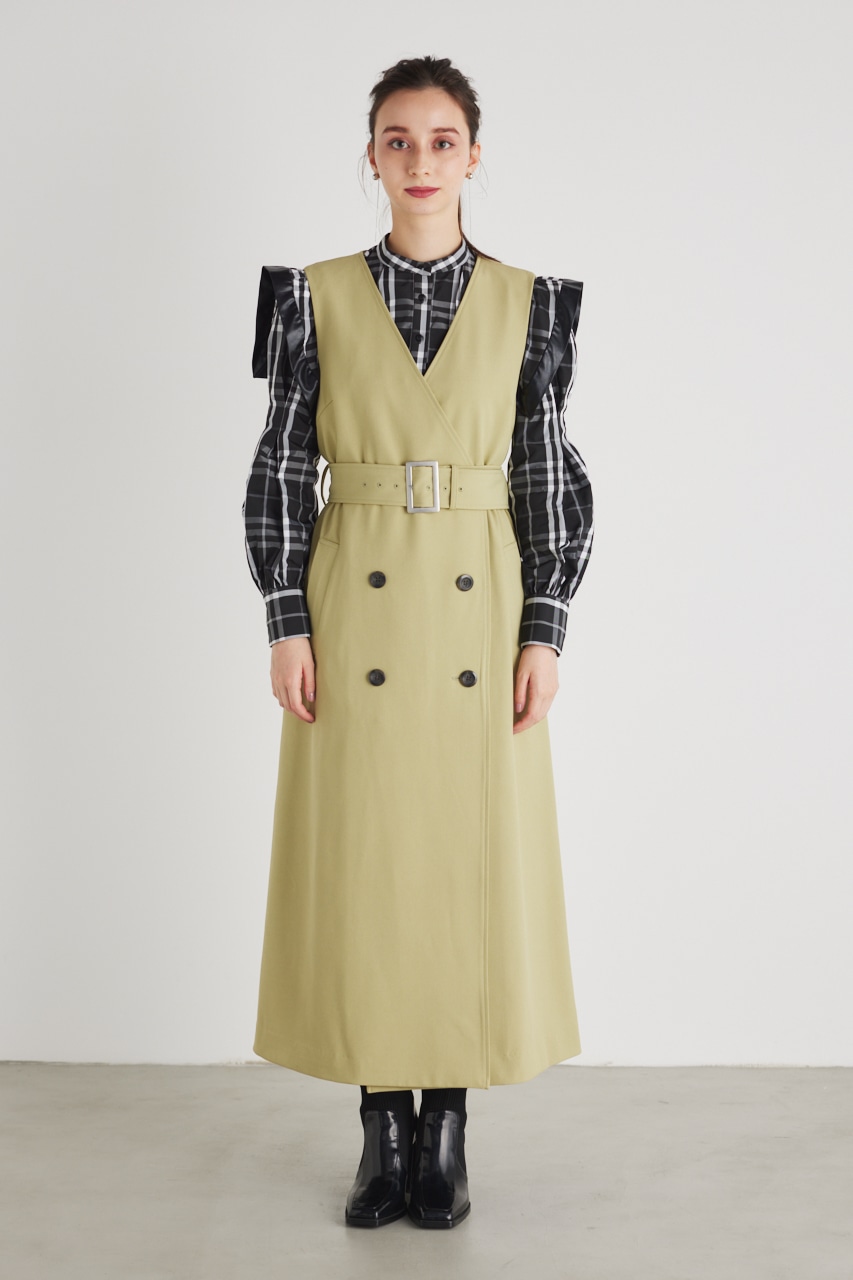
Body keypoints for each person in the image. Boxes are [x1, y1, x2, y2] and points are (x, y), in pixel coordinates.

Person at [242, 55, 594, 1230]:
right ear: (372, 157)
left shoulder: (533, 302)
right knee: (366, 862)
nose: (421, 161)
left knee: (460, 865)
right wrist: (286, 616)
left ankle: (444, 1129)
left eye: (443, 140)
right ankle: (377, 1128)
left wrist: (544, 625)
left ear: (474, 155)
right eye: (398, 140)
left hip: (479, 610)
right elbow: (282, 465)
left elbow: (545, 471)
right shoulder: (309, 295)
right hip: (355, 604)